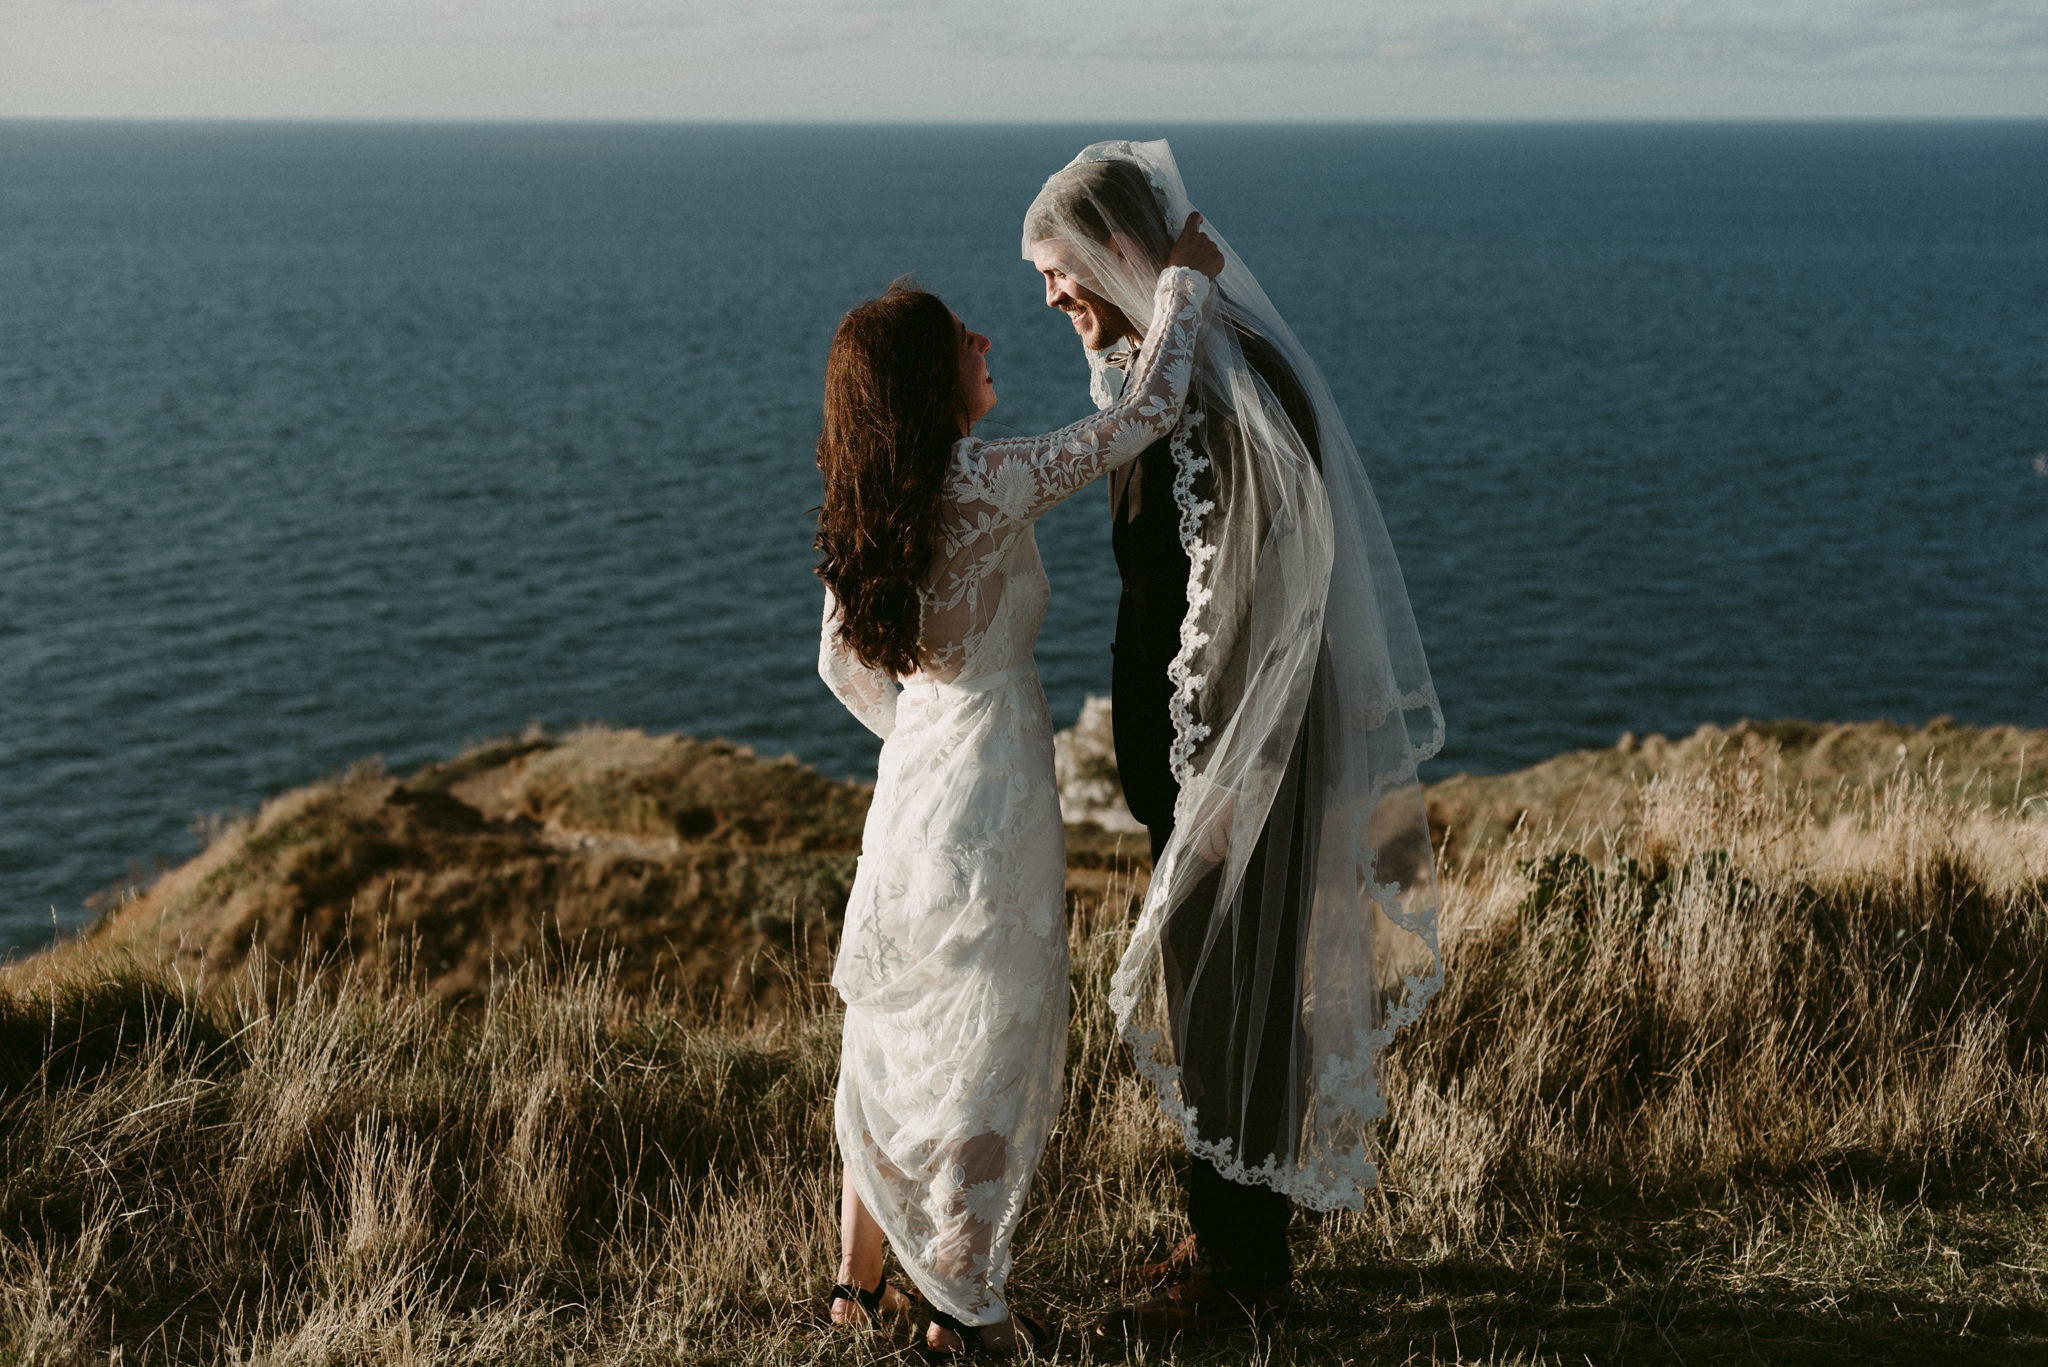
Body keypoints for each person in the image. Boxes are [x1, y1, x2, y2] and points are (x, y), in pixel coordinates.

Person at [1021, 140, 1446, 1340]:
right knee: (1217, 985)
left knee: (1230, 994)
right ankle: (1227, 1230)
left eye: (1057, 271)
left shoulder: (1220, 382)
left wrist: (1219, 757)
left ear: (1115, 254)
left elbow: (1261, 586)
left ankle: (1238, 1271)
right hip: (1200, 747)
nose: (1049, 298)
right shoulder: (1174, 365)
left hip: (1230, 748)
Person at [816, 215, 1225, 1355]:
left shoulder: (876, 501)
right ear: (925, 378)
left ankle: (860, 1285)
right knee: (985, 1036)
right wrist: (1181, 288)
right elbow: (1140, 418)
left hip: (913, 782)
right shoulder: (987, 478)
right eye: (962, 337)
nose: (988, 338)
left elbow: (837, 662)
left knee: (899, 1019)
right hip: (991, 781)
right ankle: (963, 1308)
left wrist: (924, 730)